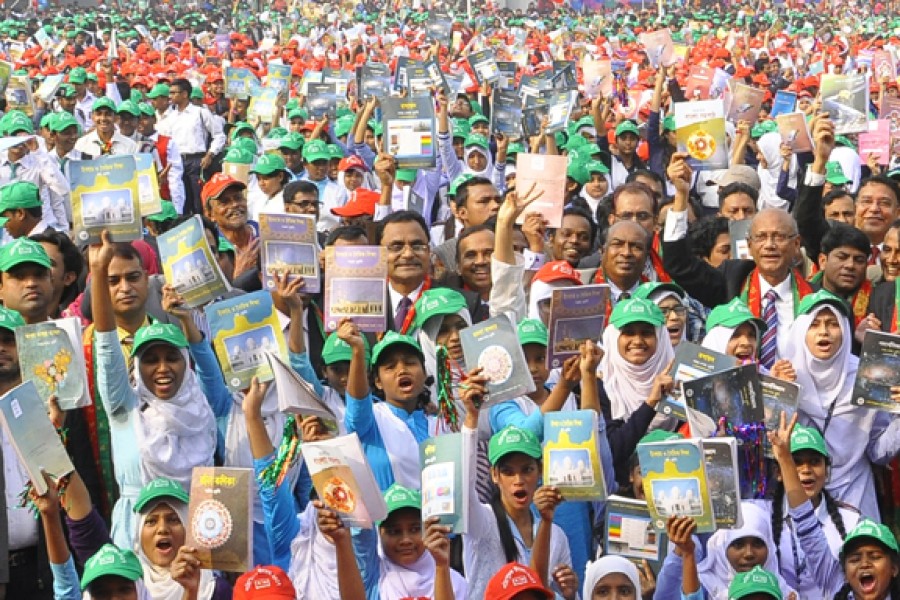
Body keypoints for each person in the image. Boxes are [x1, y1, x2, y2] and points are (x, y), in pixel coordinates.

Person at [90, 231, 229, 547]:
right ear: (137, 367)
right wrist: (97, 273)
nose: (163, 368)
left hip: (200, 535)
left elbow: (209, 373)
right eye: (151, 360)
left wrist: (185, 320)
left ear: (185, 362)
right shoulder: (126, 406)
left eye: (172, 358)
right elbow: (107, 345)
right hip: (138, 542)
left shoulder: (201, 407)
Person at [782, 289, 900, 519]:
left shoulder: (868, 376)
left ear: (845, 331)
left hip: (855, 495)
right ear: (800, 332)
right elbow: (773, 446)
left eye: (832, 323)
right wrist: (779, 399)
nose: (824, 332)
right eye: (814, 324)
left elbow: (878, 452)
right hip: (799, 495)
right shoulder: (786, 377)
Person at [316, 484, 467, 600]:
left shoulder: (454, 582)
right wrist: (342, 541)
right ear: (380, 534)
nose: (405, 540)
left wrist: (441, 566)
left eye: (415, 529)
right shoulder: (374, 575)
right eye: (394, 532)